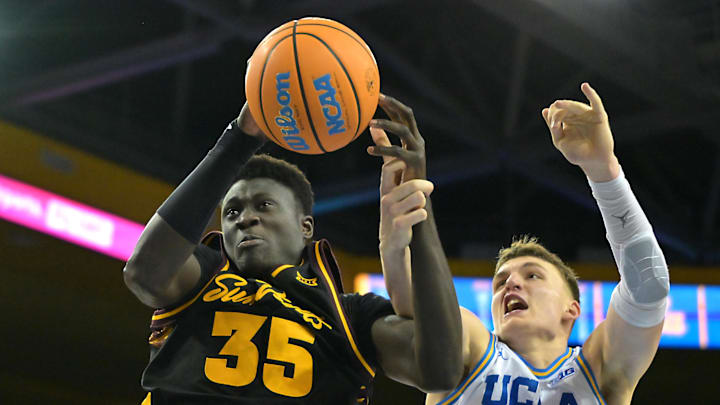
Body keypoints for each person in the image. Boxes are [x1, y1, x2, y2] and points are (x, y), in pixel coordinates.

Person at [122, 94, 462, 404]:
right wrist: (239, 140)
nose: (245, 219)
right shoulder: (202, 280)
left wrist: (419, 208)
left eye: (264, 205)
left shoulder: (350, 316)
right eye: (232, 212)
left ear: (306, 228)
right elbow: (144, 273)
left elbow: (440, 371)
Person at [374, 83, 670, 405]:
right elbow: (420, 313)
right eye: (501, 281)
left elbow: (649, 281)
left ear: (571, 310)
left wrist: (605, 171)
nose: (510, 283)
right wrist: (392, 249)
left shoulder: (599, 369)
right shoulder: (476, 347)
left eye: (532, 276)